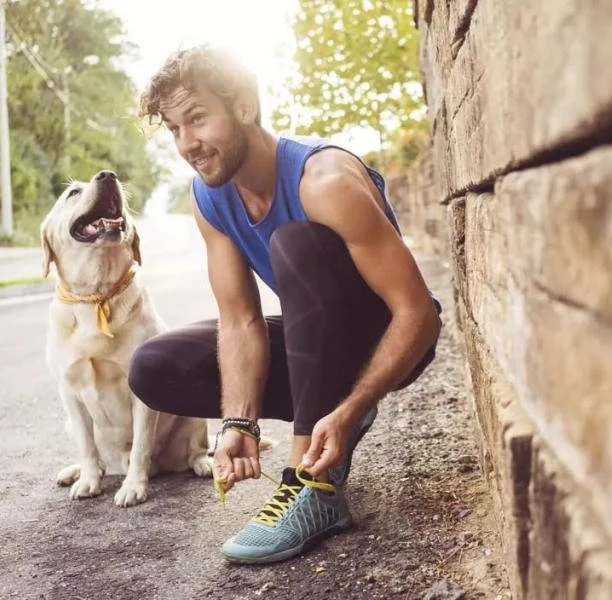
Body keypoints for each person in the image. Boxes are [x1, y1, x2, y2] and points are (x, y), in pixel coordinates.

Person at [127, 45, 442, 565]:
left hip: (386, 339)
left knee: (295, 244)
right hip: (316, 340)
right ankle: (322, 419)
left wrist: (352, 407)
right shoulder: (211, 197)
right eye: (174, 129)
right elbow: (241, 321)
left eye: (198, 119)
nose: (187, 144)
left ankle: (311, 487)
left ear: (244, 107)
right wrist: (239, 423)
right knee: (155, 368)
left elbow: (420, 315)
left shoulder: (325, 181)